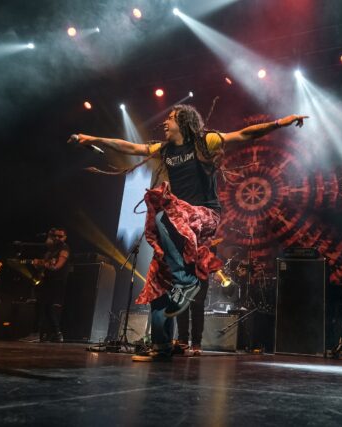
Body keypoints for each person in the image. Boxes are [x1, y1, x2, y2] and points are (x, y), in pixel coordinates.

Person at [74, 105, 307, 361]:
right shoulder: (165, 149)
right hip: (179, 222)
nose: (165, 122)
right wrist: (95, 139)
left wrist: (280, 122)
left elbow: (244, 134)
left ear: (184, 122)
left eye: (170, 118)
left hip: (204, 215)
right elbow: (130, 147)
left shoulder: (205, 141)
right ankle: (161, 346)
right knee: (157, 285)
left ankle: (186, 281)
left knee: (163, 214)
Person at [32, 228, 70, 343]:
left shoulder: (64, 248)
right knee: (45, 307)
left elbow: (57, 266)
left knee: (45, 306)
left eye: (60, 236)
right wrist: (38, 264)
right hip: (47, 280)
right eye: (55, 236)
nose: (57, 238)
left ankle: (38, 333)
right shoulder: (51, 250)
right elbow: (45, 265)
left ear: (65, 238)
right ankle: (55, 334)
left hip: (57, 281)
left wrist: (46, 264)